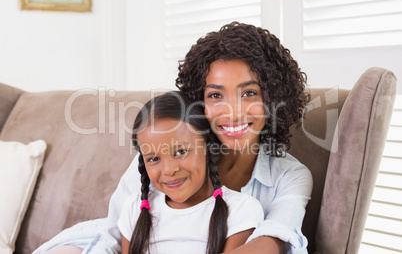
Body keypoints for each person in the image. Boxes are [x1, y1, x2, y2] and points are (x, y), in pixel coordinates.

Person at [35, 21, 313, 254]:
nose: (232, 111)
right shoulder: (163, 155)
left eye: (249, 93)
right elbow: (110, 238)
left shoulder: (289, 176)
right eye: (216, 95)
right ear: (197, 103)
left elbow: (276, 237)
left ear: (274, 97)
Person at [119, 91, 264, 254]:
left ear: (208, 148)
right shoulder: (134, 209)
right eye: (153, 159)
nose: (169, 170)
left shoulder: (241, 210)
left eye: (181, 152)